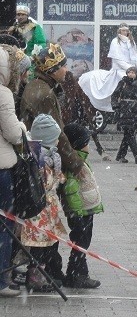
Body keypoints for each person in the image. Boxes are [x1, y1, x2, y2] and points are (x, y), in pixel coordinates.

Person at [20, 43, 86, 177]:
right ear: (53, 70)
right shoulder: (44, 94)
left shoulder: (38, 86)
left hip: (35, 154)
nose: (67, 70)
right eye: (63, 66)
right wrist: (76, 164)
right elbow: (56, 133)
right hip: (41, 158)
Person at [24, 114, 69, 291]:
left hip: (45, 211)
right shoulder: (43, 160)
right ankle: (36, 276)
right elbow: (48, 182)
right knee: (39, 246)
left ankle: (39, 273)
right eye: (56, 138)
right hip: (41, 212)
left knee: (43, 245)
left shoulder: (41, 155)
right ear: (49, 139)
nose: (58, 142)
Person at [61, 123, 104, 289]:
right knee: (80, 243)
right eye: (86, 142)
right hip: (81, 212)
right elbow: (71, 191)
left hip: (86, 210)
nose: (89, 146)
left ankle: (77, 273)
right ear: (79, 144)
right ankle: (77, 275)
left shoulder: (80, 160)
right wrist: (77, 213)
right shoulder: (75, 164)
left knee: (82, 243)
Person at [0, 45, 28, 297]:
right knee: (5, 226)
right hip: (1, 169)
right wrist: (21, 128)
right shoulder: (3, 94)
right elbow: (12, 133)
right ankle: (1, 280)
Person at [78, 23, 137, 114]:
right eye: (123, 30)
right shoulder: (115, 42)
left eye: (126, 30)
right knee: (124, 80)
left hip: (132, 68)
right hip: (120, 69)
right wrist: (131, 68)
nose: (125, 32)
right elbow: (117, 60)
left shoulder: (131, 42)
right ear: (120, 31)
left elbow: (134, 58)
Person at [111, 66, 137, 163]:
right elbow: (115, 95)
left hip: (135, 113)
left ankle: (120, 156)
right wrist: (116, 107)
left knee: (128, 135)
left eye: (133, 72)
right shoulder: (123, 83)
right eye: (129, 72)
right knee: (130, 134)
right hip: (125, 112)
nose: (131, 74)